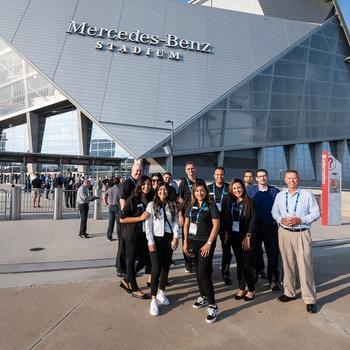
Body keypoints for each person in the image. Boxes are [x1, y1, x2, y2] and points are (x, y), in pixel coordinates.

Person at [271, 170, 320, 314]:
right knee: (287, 264)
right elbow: (274, 211)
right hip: (284, 233)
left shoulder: (307, 195)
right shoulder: (280, 196)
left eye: (294, 178)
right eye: (289, 178)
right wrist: (281, 220)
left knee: (305, 266)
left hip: (301, 233)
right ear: (285, 180)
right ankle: (289, 292)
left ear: (298, 179)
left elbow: (316, 213)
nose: (292, 180)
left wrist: (301, 220)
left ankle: (310, 299)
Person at [183, 182, 220, 324]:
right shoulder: (191, 205)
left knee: (204, 273)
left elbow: (216, 226)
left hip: (206, 243)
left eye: (202, 190)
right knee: (198, 272)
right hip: (193, 242)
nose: (200, 193)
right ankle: (203, 297)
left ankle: (213, 305)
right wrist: (185, 241)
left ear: (206, 191)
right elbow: (186, 224)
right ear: (194, 192)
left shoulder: (211, 205)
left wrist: (209, 244)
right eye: (197, 190)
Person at [145, 183, 180, 316]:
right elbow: (147, 225)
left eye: (165, 189)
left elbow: (176, 221)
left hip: (168, 239)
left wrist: (176, 237)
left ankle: (161, 292)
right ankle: (153, 299)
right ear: (157, 191)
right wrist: (150, 241)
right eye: (160, 189)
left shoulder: (172, 205)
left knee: (166, 267)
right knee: (156, 269)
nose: (162, 191)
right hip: (156, 239)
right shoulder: (151, 205)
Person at [221, 178, 256, 302]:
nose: (237, 190)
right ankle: (241, 288)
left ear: (243, 187)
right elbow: (225, 219)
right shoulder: (230, 202)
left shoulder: (250, 202)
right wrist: (225, 232)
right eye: (234, 188)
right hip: (234, 236)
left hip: (246, 237)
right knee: (240, 264)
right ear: (231, 189)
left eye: (239, 187)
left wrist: (248, 236)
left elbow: (253, 220)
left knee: (246, 265)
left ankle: (251, 289)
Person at [119, 175, 152, 299]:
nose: (146, 186)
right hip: (131, 235)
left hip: (143, 235)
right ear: (139, 185)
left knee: (144, 259)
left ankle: (126, 279)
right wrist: (139, 218)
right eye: (144, 184)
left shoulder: (150, 198)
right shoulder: (132, 199)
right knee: (131, 262)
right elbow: (122, 219)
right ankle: (135, 289)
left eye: (148, 184)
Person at [247, 169, 280, 290]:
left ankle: (274, 280)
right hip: (255, 227)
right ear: (256, 178)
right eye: (260, 176)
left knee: (272, 254)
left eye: (264, 176)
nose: (262, 178)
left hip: (270, 227)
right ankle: (255, 275)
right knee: (255, 253)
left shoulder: (275, 191)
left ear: (267, 177)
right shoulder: (250, 191)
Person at [116, 163, 143, 277]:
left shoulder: (138, 183)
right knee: (123, 244)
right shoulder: (126, 184)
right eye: (137, 170)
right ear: (132, 171)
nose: (139, 172)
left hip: (134, 219)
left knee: (131, 246)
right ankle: (121, 269)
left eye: (141, 171)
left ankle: (129, 269)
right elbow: (122, 203)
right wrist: (126, 217)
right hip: (125, 219)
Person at [178, 162, 205, 273]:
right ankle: (188, 264)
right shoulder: (183, 183)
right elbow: (179, 201)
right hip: (187, 215)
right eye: (188, 169)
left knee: (197, 238)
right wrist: (180, 215)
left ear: (195, 169)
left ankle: (196, 261)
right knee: (187, 239)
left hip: (199, 215)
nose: (190, 170)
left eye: (192, 168)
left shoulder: (201, 182)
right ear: (185, 171)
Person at [207, 167, 231, 285]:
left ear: (224, 175)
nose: (219, 177)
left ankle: (225, 274)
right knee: (210, 248)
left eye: (221, 174)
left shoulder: (229, 188)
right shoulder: (208, 188)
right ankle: (209, 272)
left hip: (226, 224)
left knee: (226, 249)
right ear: (213, 175)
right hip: (211, 224)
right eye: (217, 174)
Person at [104, 177, 120, 241]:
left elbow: (104, 196)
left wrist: (107, 203)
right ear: (118, 182)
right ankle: (119, 236)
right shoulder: (119, 189)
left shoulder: (109, 189)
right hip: (117, 206)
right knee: (118, 223)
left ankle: (109, 236)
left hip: (111, 206)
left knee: (111, 222)